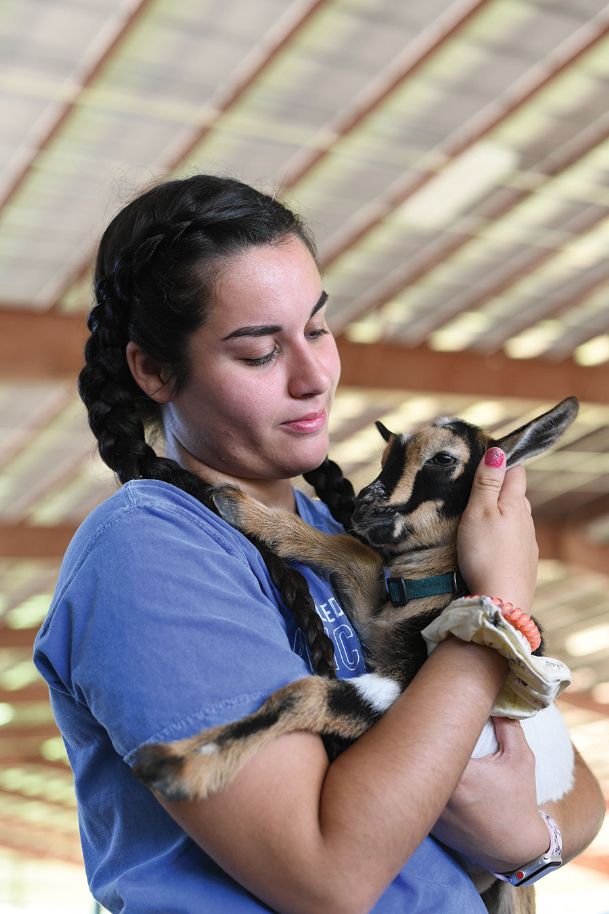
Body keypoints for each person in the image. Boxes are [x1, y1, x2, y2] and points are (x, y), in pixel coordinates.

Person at [34, 174, 604, 914]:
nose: (314, 378)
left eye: (316, 328)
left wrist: (531, 841)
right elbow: (326, 877)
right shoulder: (148, 551)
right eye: (258, 353)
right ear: (153, 370)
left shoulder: (354, 540)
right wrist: (492, 615)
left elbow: (579, 796)